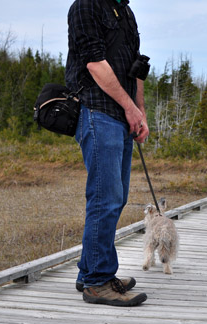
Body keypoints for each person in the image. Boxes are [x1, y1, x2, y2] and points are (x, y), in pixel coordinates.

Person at [65, 0, 149, 306]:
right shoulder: (86, 6)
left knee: (117, 195)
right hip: (96, 111)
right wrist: (129, 108)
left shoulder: (125, 11)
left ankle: (88, 271)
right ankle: (99, 282)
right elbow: (94, 63)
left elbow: (136, 66)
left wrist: (139, 112)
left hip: (122, 115)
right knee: (106, 196)